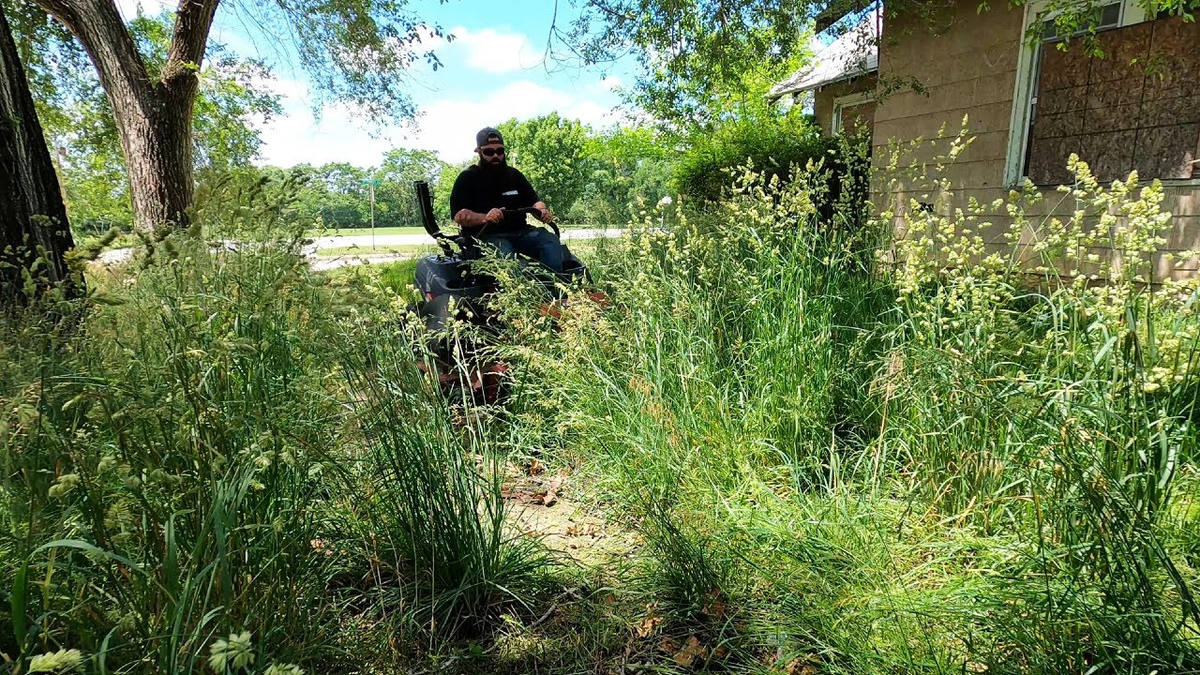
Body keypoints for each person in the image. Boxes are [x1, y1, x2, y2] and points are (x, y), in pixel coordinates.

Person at [449, 127, 564, 273]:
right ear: (479, 152)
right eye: (489, 152)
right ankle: (518, 293)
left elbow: (535, 201)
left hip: (522, 232)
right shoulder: (467, 178)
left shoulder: (514, 175)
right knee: (505, 254)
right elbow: (460, 216)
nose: (495, 155)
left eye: (500, 151)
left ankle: (555, 289)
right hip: (486, 237)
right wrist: (485, 218)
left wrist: (542, 211)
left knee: (550, 241)